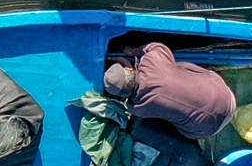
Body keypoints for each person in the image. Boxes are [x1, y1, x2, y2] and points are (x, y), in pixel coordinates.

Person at [99, 41, 235, 142]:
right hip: (224, 94)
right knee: (179, 67)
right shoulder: (151, 61)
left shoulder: (138, 109)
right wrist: (133, 51)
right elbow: (157, 47)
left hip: (206, 129)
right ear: (129, 69)